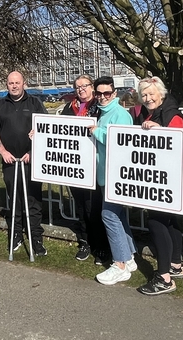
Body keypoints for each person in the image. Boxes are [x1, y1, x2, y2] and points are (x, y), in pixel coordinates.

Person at [130, 77, 183, 296]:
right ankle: (175, 264)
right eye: (144, 95)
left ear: (161, 93)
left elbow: (179, 141)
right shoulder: (148, 113)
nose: (148, 98)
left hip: (170, 181)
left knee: (155, 221)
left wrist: (159, 129)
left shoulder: (171, 115)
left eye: (152, 94)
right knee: (170, 221)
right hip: (157, 178)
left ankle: (164, 278)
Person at [0, 71, 48, 256]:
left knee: (33, 200)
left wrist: (33, 150)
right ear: (7, 85)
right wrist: (2, 151)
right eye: (10, 83)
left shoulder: (35, 103)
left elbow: (46, 127)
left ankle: (36, 238)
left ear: (24, 84)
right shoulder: (0, 105)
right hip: (10, 161)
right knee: (14, 199)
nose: (14, 86)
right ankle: (16, 234)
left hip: (31, 160)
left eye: (17, 82)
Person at [89, 76, 138, 285]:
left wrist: (96, 131)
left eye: (106, 93)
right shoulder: (101, 112)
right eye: (98, 94)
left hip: (116, 175)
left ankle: (120, 264)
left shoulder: (121, 114)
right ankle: (129, 256)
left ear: (114, 93)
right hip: (103, 174)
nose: (102, 97)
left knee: (108, 215)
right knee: (118, 216)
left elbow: (121, 141)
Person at [60, 74, 110, 263]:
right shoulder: (69, 107)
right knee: (81, 207)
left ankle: (101, 245)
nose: (81, 90)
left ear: (92, 87)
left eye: (85, 86)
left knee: (94, 208)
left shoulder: (99, 108)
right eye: (78, 87)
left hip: (94, 166)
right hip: (75, 167)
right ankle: (85, 242)